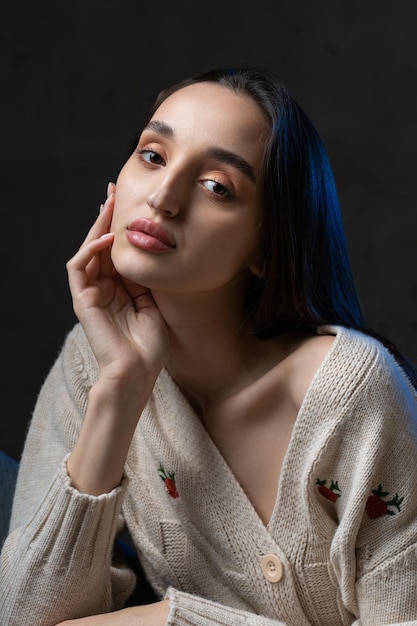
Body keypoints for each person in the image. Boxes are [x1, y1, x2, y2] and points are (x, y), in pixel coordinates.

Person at [0, 66, 416, 626]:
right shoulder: (93, 361)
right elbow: (24, 612)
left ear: (267, 249)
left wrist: (172, 621)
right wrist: (122, 386)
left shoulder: (350, 389)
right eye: (152, 155)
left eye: (217, 187)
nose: (164, 198)